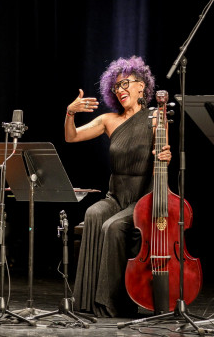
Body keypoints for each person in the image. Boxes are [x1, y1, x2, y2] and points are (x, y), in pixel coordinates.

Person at [65, 55, 172, 317]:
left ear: (142, 87)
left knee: (111, 226)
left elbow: (163, 159)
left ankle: (112, 303)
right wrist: (70, 112)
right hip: (116, 196)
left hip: (142, 199)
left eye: (126, 84)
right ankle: (87, 302)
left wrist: (166, 156)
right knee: (93, 213)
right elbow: (71, 136)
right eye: (116, 87)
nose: (121, 90)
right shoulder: (109, 120)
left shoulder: (156, 118)